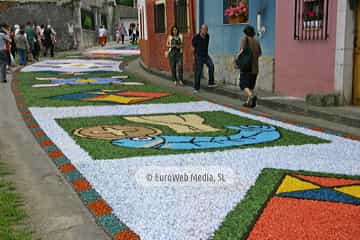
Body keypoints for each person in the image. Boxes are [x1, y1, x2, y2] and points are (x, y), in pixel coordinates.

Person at [239, 25, 262, 108]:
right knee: (251, 85)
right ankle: (249, 102)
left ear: (246, 33)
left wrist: (237, 60)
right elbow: (259, 53)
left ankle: (252, 97)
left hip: (247, 67)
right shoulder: (256, 41)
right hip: (255, 67)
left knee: (243, 84)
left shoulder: (245, 40)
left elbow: (241, 51)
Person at [192, 24, 216, 93]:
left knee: (211, 66)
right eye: (204, 29)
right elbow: (193, 48)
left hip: (205, 55)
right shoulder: (196, 37)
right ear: (201, 30)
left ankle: (210, 83)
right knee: (198, 71)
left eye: (206, 29)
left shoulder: (208, 36)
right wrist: (195, 57)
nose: (205, 31)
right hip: (198, 56)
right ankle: (196, 88)